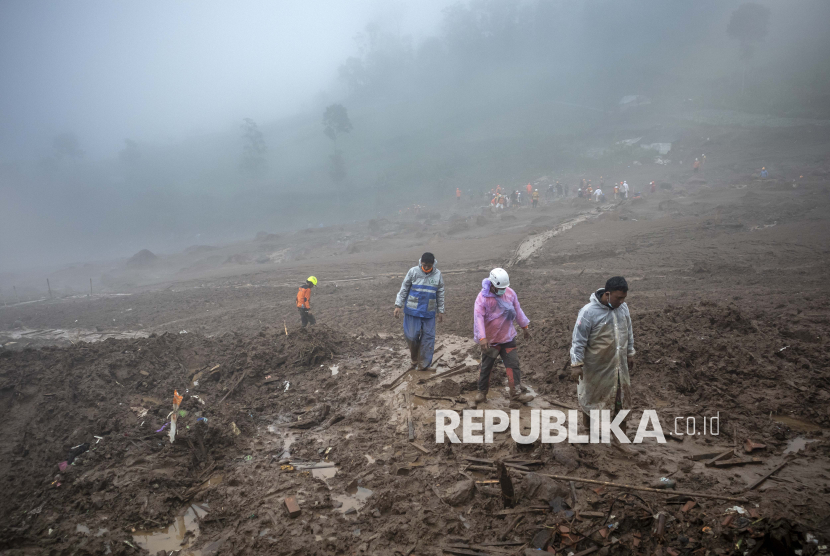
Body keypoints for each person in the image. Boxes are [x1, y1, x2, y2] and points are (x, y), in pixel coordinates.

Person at [570, 276, 635, 441]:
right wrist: (576, 364)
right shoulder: (588, 312)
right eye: (618, 298)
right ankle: (588, 432)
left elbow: (628, 331)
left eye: (623, 298)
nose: (621, 301)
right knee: (591, 399)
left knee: (620, 400)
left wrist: (630, 352)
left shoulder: (623, 309)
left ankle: (620, 439)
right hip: (596, 367)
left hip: (618, 366)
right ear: (607, 294)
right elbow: (578, 341)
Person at [473, 268, 534, 404]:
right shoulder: (483, 298)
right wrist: (482, 338)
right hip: (491, 340)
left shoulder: (510, 293)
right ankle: (482, 393)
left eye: (504, 288)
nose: (502, 290)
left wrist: (524, 326)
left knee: (513, 365)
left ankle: (516, 395)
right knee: (486, 367)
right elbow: (478, 318)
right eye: (499, 288)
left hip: (507, 337)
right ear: (492, 285)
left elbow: (518, 310)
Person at [394, 253, 445, 370]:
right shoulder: (413, 272)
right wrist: (398, 305)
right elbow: (404, 288)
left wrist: (440, 310)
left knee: (428, 338)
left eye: (429, 266)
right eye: (424, 265)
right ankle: (414, 358)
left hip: (429, 311)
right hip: (413, 311)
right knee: (411, 337)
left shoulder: (438, 274)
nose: (426, 268)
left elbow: (440, 293)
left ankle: (424, 365)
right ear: (421, 262)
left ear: (433, 264)